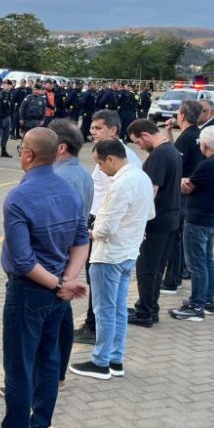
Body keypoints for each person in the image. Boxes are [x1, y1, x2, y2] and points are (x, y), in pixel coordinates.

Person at [0, 127, 88, 428]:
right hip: (58, 292)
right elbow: (82, 240)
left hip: (30, 291)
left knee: (19, 365)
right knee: (48, 361)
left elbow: (23, 261)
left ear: (28, 155)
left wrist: (59, 284)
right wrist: (67, 280)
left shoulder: (19, 197)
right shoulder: (70, 192)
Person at [70, 138, 154, 380]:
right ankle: (116, 359)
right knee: (117, 309)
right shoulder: (142, 178)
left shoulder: (121, 184)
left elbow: (105, 228)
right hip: (128, 253)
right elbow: (149, 213)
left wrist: (91, 232)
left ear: (111, 159)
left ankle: (100, 361)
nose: (100, 170)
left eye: (100, 164)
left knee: (105, 310)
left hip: (109, 255)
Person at [73, 111, 142, 345]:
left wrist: (99, 228)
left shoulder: (122, 160)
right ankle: (95, 326)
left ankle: (95, 329)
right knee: (98, 281)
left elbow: (119, 199)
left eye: (98, 128)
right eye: (92, 128)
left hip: (105, 226)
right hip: (100, 220)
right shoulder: (109, 154)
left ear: (113, 130)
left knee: (100, 282)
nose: (93, 132)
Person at [171, 126, 214, 321]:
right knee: (206, 260)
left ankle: (196, 305)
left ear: (205, 144)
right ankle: (207, 300)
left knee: (196, 264)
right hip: (212, 218)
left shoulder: (208, 165)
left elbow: (188, 187)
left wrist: (183, 182)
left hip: (198, 219)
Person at [47, 119, 94, 384]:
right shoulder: (83, 174)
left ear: (61, 147)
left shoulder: (58, 178)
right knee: (62, 317)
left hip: (54, 258)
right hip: (69, 255)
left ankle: (46, 378)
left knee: (48, 323)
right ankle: (58, 376)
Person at [126, 119, 182, 327]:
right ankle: (150, 307)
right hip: (171, 218)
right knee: (157, 268)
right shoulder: (172, 150)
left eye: (138, 142)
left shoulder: (158, 155)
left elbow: (151, 191)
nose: (139, 146)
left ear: (145, 135)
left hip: (156, 221)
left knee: (146, 269)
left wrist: (137, 220)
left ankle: (145, 313)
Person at [160, 100, 204, 294]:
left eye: (178, 112)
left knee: (174, 238)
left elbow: (175, 163)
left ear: (182, 116)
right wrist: (169, 132)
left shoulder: (187, 137)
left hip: (183, 193)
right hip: (192, 193)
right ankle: (175, 277)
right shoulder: (197, 134)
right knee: (177, 238)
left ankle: (171, 280)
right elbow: (176, 153)